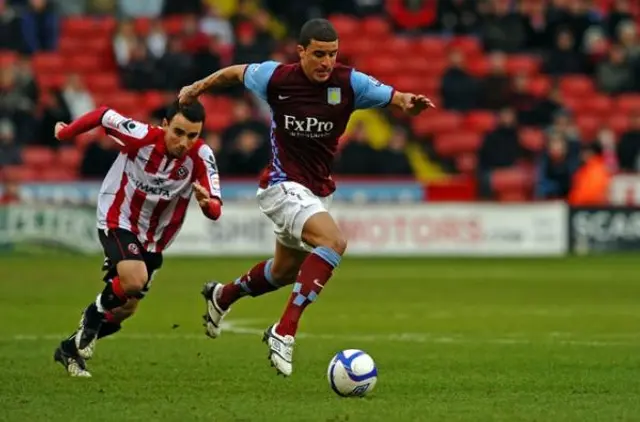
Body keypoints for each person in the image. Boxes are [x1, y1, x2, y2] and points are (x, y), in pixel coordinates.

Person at [179, 18, 434, 377]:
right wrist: (196, 88)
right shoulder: (276, 78)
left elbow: (394, 97)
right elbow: (234, 73)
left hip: (316, 190)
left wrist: (409, 102)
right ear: (301, 52)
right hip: (281, 184)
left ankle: (222, 295)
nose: (326, 62)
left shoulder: (349, 83)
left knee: (284, 272)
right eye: (318, 54)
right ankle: (284, 331)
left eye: (332, 54)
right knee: (333, 242)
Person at [52, 100, 223, 377]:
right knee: (134, 279)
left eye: (192, 135)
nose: (184, 142)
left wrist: (207, 205)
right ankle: (92, 316)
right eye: (178, 132)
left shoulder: (202, 156)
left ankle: (69, 348)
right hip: (118, 216)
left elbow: (215, 207)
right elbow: (104, 115)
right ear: (165, 125)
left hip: (154, 238)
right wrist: (66, 133)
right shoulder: (141, 135)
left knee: (125, 309)